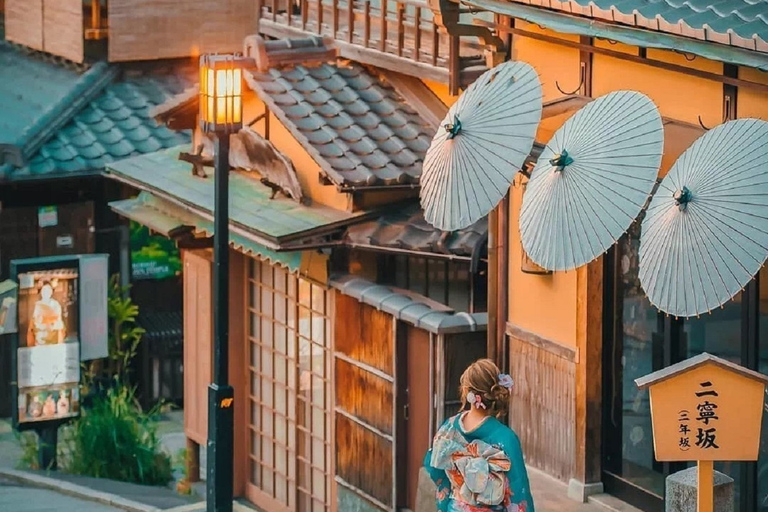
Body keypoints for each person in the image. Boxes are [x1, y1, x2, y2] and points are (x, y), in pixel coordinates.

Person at [423, 358, 535, 512]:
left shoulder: (449, 427)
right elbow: (518, 493)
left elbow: (435, 470)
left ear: (466, 392)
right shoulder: (506, 438)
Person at [30, 281, 65, 345]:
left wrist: (52, 325)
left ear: (51, 292)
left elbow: (59, 322)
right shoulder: (38, 305)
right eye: (44, 290)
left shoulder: (56, 305)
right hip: (41, 338)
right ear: (41, 292)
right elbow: (35, 322)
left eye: (48, 290)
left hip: (53, 338)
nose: (46, 292)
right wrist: (42, 325)